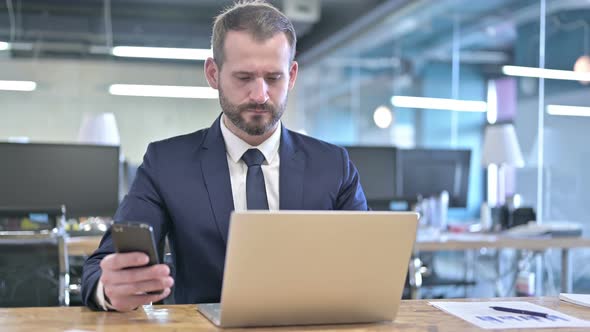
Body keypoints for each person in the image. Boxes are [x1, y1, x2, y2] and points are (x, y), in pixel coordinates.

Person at [81, 0, 368, 312]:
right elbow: (100, 267)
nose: (260, 95)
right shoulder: (167, 164)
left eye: (273, 78)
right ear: (213, 73)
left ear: (293, 75)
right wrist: (109, 289)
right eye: (243, 77)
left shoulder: (333, 165)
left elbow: (368, 267)